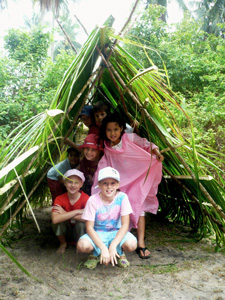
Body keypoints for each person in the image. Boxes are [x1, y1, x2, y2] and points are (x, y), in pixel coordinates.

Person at [92, 112, 164, 259]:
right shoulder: (107, 146)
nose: (112, 133)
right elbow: (105, 164)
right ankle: (117, 241)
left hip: (137, 180)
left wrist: (156, 152)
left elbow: (146, 144)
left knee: (140, 208)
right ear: (104, 131)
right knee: (118, 209)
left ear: (121, 129)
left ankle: (141, 243)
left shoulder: (129, 138)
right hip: (121, 183)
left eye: (116, 129)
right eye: (109, 130)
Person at [77, 167, 137, 269]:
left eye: (113, 183)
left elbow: (125, 224)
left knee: (131, 244)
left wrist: (113, 245)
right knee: (82, 245)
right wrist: (103, 248)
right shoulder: (93, 200)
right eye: (105, 183)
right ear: (99, 185)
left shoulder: (122, 198)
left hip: (116, 232)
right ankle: (95, 254)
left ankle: (119, 252)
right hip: (98, 233)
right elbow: (89, 228)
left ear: (118, 184)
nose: (109, 186)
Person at [52, 169, 89, 254]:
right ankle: (63, 244)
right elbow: (55, 219)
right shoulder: (59, 199)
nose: (73, 185)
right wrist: (77, 211)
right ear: (64, 183)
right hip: (66, 231)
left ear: (81, 184)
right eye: (70, 182)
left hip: (80, 233)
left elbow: (89, 219)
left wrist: (64, 213)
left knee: (81, 223)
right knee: (59, 222)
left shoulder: (86, 198)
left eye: (76, 182)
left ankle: (79, 245)